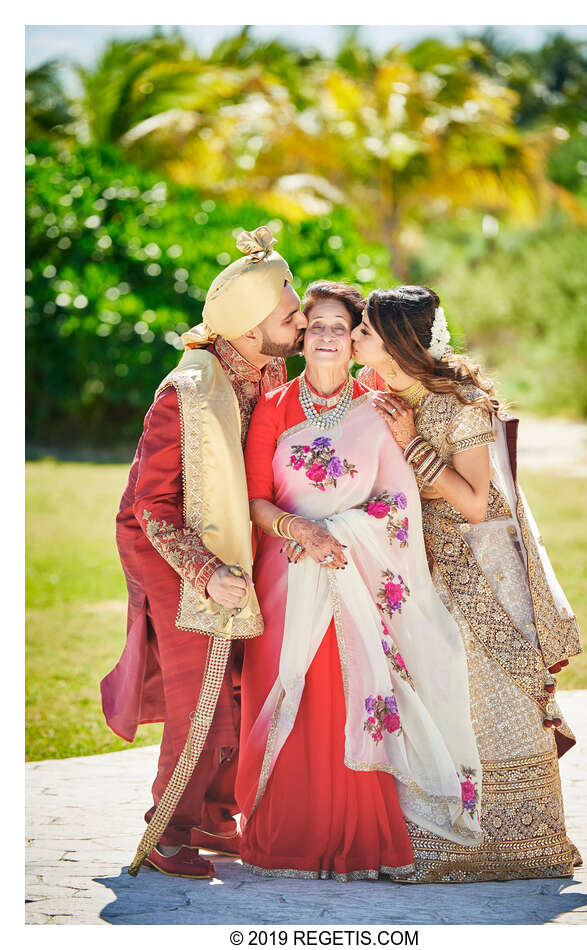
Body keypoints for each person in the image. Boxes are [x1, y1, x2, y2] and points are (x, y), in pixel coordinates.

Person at [235, 281, 483, 881]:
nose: (324, 336)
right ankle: (283, 837)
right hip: (286, 574)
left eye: (339, 328)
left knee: (350, 694)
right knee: (287, 689)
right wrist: (304, 531)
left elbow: (398, 502)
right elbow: (255, 501)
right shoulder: (274, 407)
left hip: (357, 575)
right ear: (300, 338)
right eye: (314, 325)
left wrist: (340, 533)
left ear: (354, 342)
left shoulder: (379, 406)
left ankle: (357, 840)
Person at [351, 284, 583, 882]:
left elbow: (478, 504)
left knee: (488, 701)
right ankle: (438, 840)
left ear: (397, 343)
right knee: (431, 698)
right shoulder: (378, 398)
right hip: (411, 568)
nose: (353, 337)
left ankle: (523, 846)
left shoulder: (462, 405)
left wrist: (411, 445)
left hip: (475, 576)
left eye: (365, 332)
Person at [101, 226, 307, 879]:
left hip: (230, 543)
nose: (302, 319)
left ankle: (219, 816)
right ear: (250, 329)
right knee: (208, 691)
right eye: (291, 311)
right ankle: (167, 833)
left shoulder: (266, 365)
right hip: (169, 549)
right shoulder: (185, 392)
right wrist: (209, 572)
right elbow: (150, 507)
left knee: (243, 683)